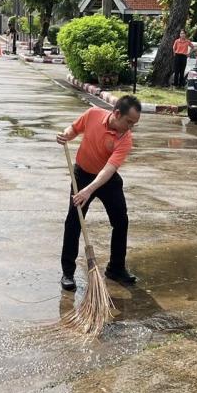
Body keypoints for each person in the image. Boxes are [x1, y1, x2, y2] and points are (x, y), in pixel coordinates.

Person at [57, 95, 142, 292]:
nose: (130, 127)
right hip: (82, 175)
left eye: (134, 124)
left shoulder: (125, 139)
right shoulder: (93, 114)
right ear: (117, 113)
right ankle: (68, 272)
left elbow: (108, 170)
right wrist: (66, 135)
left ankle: (116, 268)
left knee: (121, 221)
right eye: (128, 122)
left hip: (106, 179)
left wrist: (88, 191)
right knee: (74, 221)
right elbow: (74, 128)